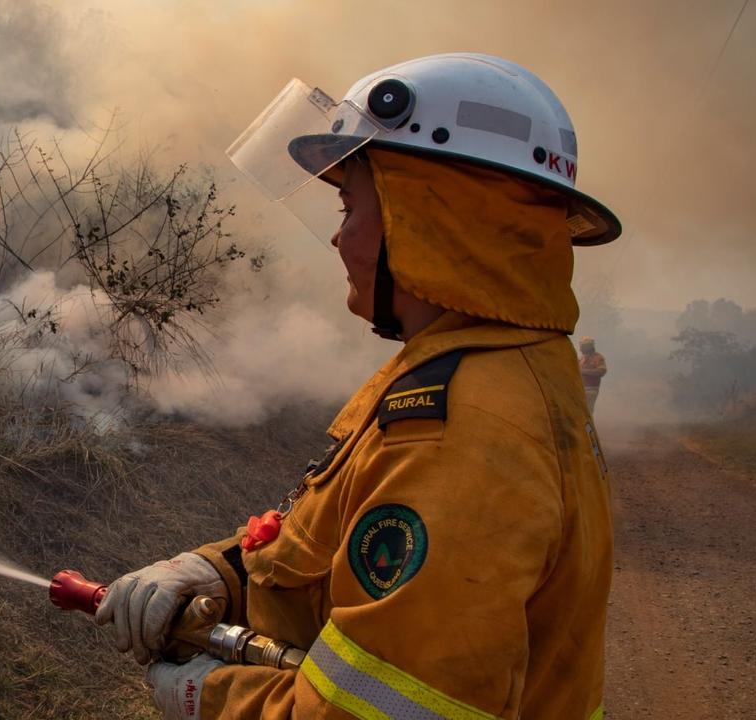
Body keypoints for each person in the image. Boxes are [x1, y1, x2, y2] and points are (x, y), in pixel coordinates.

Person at [96, 54, 619, 719]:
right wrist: (220, 572)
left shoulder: (463, 431)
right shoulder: (490, 368)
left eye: (351, 206)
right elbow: (335, 548)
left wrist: (219, 700)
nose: (339, 238)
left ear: (428, 216)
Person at [578, 336, 608, 413]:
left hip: (591, 389)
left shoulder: (597, 357)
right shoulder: (582, 358)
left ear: (588, 347)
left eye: (583, 346)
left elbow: (602, 371)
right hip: (581, 388)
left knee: (587, 411)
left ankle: (588, 425)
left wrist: (583, 371)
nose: (581, 349)